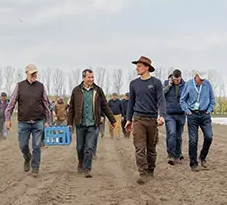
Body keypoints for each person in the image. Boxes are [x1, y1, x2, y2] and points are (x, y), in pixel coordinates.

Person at [125, 56, 166, 185]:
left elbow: (161, 100)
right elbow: (130, 103)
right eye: (136, 66)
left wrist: (162, 115)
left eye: (139, 66)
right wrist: (128, 119)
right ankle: (142, 173)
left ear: (147, 67)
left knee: (151, 148)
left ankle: (151, 170)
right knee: (139, 147)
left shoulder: (156, 83)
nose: (137, 68)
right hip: (138, 119)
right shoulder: (134, 84)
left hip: (152, 119)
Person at [4, 64, 51, 177]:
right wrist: (7, 118)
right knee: (23, 145)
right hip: (23, 122)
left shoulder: (40, 86)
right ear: (27, 73)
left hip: (37, 121)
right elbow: (12, 103)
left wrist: (48, 120)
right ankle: (27, 157)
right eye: (32, 73)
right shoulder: (19, 86)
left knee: (36, 146)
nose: (34, 75)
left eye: (35, 73)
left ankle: (35, 168)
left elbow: (46, 103)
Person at [67, 69, 116, 177]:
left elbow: (105, 106)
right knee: (80, 148)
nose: (91, 79)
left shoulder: (98, 90)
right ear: (83, 78)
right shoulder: (76, 90)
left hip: (93, 124)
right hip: (80, 124)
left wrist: (112, 120)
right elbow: (71, 108)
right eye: (89, 77)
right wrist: (69, 123)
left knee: (89, 148)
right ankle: (81, 162)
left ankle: (87, 169)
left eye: (93, 77)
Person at [180, 71, 216, 172]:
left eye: (203, 79)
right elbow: (182, 100)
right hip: (193, 115)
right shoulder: (188, 85)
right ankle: (193, 163)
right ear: (196, 76)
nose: (202, 81)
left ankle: (202, 157)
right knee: (193, 140)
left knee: (209, 137)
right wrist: (187, 111)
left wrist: (209, 110)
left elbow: (212, 99)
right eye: (200, 79)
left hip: (205, 115)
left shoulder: (207, 84)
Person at [163, 69, 186, 165]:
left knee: (178, 136)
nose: (176, 81)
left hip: (181, 114)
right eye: (175, 79)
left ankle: (178, 154)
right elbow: (161, 94)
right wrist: (169, 85)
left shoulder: (185, 85)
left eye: (178, 80)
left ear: (181, 77)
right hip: (169, 113)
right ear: (172, 77)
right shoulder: (166, 83)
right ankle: (172, 156)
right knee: (172, 133)